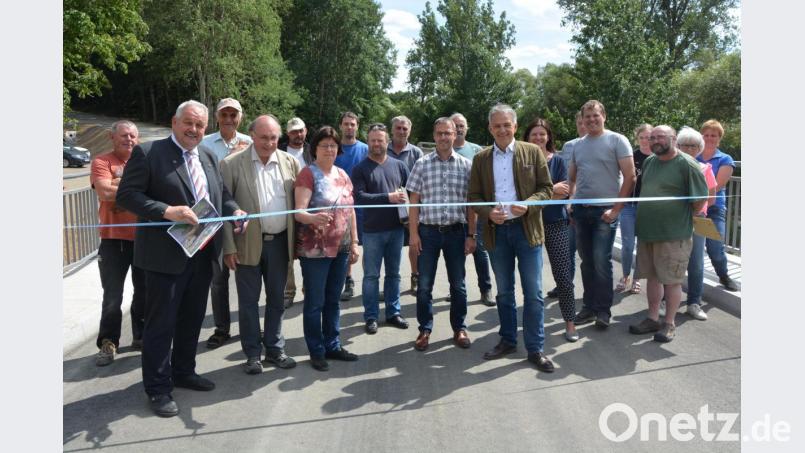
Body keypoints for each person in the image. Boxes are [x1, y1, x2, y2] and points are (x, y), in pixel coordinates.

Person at [116, 100, 247, 417]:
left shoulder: (208, 156)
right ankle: (158, 388)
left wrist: (235, 211)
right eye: (188, 123)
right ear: (174, 122)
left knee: (191, 320)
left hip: (202, 254)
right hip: (165, 257)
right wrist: (166, 210)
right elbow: (127, 195)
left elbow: (222, 196)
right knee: (161, 325)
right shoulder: (149, 153)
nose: (194, 130)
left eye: (200, 125)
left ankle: (184, 371)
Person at [468, 104, 555, 372]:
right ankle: (507, 340)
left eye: (507, 125)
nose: (502, 130)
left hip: (526, 231)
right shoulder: (481, 159)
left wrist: (528, 204)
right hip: (497, 233)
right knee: (504, 292)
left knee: (534, 293)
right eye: (497, 126)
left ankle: (535, 348)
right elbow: (473, 197)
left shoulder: (532, 152)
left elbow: (546, 189)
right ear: (490, 129)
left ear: (515, 127)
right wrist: (487, 212)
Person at [220, 115, 301, 374]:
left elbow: (298, 205)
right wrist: (229, 247)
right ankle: (253, 354)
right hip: (246, 245)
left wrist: (296, 244)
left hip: (280, 244)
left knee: (277, 300)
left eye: (274, 137)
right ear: (252, 136)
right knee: (248, 302)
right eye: (264, 137)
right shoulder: (232, 164)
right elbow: (223, 207)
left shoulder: (290, 163)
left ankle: (275, 350)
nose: (269, 143)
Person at [628, 126, 708, 342]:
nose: (655, 141)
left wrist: (678, 218)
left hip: (674, 234)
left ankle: (669, 323)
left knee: (672, 281)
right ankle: (653, 318)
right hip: (648, 231)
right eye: (652, 137)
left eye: (660, 137)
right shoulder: (650, 161)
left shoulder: (687, 164)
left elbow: (700, 200)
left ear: (673, 139)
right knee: (652, 278)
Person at [294, 126, 361, 372]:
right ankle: (317, 350)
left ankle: (333, 344)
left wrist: (354, 242)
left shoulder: (343, 174)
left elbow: (351, 210)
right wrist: (313, 219)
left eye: (333, 146)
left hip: (341, 249)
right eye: (325, 145)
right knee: (315, 302)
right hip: (316, 251)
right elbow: (298, 212)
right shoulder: (307, 175)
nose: (330, 150)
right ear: (315, 149)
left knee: (333, 300)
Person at [407, 117, 476, 351]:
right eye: (440, 133)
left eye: (448, 133)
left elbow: (471, 204)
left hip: (457, 233)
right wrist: (413, 234)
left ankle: (460, 328)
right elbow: (413, 201)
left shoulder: (466, 165)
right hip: (428, 233)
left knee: (458, 285)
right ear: (434, 136)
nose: (444, 137)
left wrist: (471, 234)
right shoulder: (422, 164)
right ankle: (424, 329)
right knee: (425, 285)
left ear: (455, 135)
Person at [568, 100, 636, 328]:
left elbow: (630, 176)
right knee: (586, 262)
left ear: (603, 116)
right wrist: (571, 201)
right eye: (587, 117)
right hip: (581, 211)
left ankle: (603, 310)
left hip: (605, 212)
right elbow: (573, 178)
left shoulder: (617, 140)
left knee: (601, 261)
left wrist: (617, 208)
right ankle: (588, 307)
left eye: (595, 116)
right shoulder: (578, 145)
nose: (591, 120)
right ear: (582, 120)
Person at [91, 120, 146, 366]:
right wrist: (135, 188)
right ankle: (108, 342)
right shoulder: (102, 161)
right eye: (124, 135)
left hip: (143, 239)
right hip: (113, 242)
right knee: (113, 297)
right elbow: (104, 192)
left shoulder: (143, 161)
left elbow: (153, 191)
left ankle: (141, 337)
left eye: (133, 136)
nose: (129, 140)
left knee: (144, 292)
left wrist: (118, 184)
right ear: (112, 137)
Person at [199, 97, 252, 350]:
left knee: (247, 276)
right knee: (218, 279)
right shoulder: (205, 143)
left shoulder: (251, 142)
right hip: (216, 217)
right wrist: (230, 158)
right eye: (224, 114)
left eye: (234, 114)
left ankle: (249, 325)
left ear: (240, 117)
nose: (229, 119)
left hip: (243, 217)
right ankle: (222, 328)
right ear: (217, 117)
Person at [351, 123, 410, 334]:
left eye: (381, 140)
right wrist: (388, 197)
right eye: (373, 140)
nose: (377, 144)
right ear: (368, 142)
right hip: (372, 231)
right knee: (371, 276)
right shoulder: (360, 169)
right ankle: (371, 316)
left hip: (396, 229)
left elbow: (409, 193)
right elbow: (358, 198)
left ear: (387, 142)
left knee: (394, 274)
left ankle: (393, 312)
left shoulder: (399, 166)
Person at [523, 118, 578, 342]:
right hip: (529, 223)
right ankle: (533, 326)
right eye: (534, 134)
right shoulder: (521, 161)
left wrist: (537, 196)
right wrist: (549, 192)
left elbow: (564, 191)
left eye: (542, 134)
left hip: (556, 222)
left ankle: (570, 322)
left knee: (563, 275)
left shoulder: (559, 161)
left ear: (549, 137)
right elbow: (521, 194)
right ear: (526, 138)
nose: (538, 138)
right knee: (531, 278)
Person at [451, 112, 494, 307]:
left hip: (475, 213)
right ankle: (457, 291)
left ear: (466, 128)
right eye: (455, 125)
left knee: (480, 252)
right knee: (455, 255)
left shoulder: (477, 150)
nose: (458, 128)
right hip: (453, 215)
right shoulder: (444, 148)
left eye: (461, 125)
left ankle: (486, 290)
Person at [677, 127, 718, 321]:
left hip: (697, 220)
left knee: (696, 263)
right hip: (673, 220)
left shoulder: (705, 169)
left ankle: (694, 302)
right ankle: (665, 301)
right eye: (685, 145)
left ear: (699, 148)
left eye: (694, 145)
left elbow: (711, 199)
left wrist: (695, 208)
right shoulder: (670, 168)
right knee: (672, 260)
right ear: (678, 146)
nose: (689, 149)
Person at [546, 111, 586, 298]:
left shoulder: (609, 142)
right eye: (579, 123)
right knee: (566, 252)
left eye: (585, 122)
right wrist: (568, 203)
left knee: (588, 255)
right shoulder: (569, 146)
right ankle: (564, 285)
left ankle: (589, 294)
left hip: (590, 205)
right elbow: (567, 181)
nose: (583, 126)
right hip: (568, 205)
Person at [698, 120, 738, 292]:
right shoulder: (693, 155)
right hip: (693, 207)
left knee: (714, 246)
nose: (709, 138)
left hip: (713, 208)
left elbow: (718, 185)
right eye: (706, 135)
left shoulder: (725, 159)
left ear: (719, 138)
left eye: (713, 135)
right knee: (689, 249)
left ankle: (723, 275)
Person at [386, 115, 424, 293]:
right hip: (386, 205)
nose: (401, 131)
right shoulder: (382, 149)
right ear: (392, 130)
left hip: (411, 206)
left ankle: (415, 277)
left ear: (409, 130)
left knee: (414, 242)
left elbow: (423, 180)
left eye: (405, 128)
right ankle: (388, 284)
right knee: (385, 246)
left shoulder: (416, 152)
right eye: (398, 128)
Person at [278, 117, 313, 308]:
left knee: (309, 251)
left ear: (305, 131)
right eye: (293, 131)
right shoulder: (279, 149)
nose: (298, 135)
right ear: (287, 133)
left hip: (309, 206)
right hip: (286, 205)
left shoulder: (312, 150)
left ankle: (308, 289)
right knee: (287, 252)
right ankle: (288, 291)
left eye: (300, 131)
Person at [334, 112, 369, 301]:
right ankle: (348, 280)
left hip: (364, 206)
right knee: (346, 246)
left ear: (357, 126)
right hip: (341, 207)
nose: (349, 127)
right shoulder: (334, 148)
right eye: (346, 124)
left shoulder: (365, 149)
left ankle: (369, 282)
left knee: (367, 246)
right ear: (340, 126)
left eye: (352, 124)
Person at [617, 123, 653, 295]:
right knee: (627, 244)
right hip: (629, 206)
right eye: (642, 137)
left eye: (648, 137)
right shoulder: (631, 156)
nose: (645, 141)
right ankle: (625, 276)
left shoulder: (658, 158)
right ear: (637, 138)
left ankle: (637, 278)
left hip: (648, 208)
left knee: (642, 245)